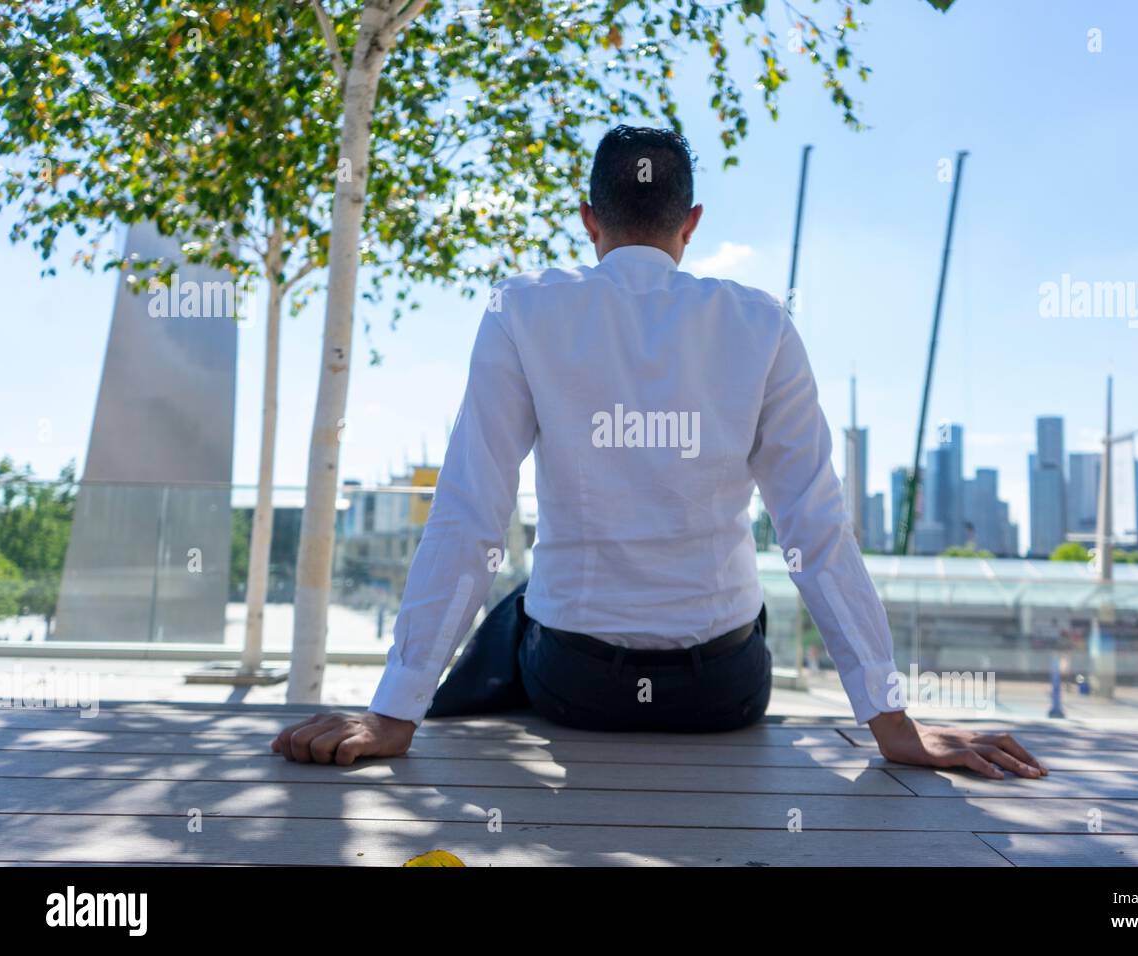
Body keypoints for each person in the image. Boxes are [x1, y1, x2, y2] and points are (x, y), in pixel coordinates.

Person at [272, 126, 1046, 781]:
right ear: (692, 222)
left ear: (588, 220)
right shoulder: (762, 324)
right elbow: (815, 530)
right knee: (680, 605)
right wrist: (893, 725)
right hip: (720, 694)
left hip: (576, 685)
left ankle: (428, 701)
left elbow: (472, 513)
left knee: (519, 606)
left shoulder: (523, 311)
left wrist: (392, 714)